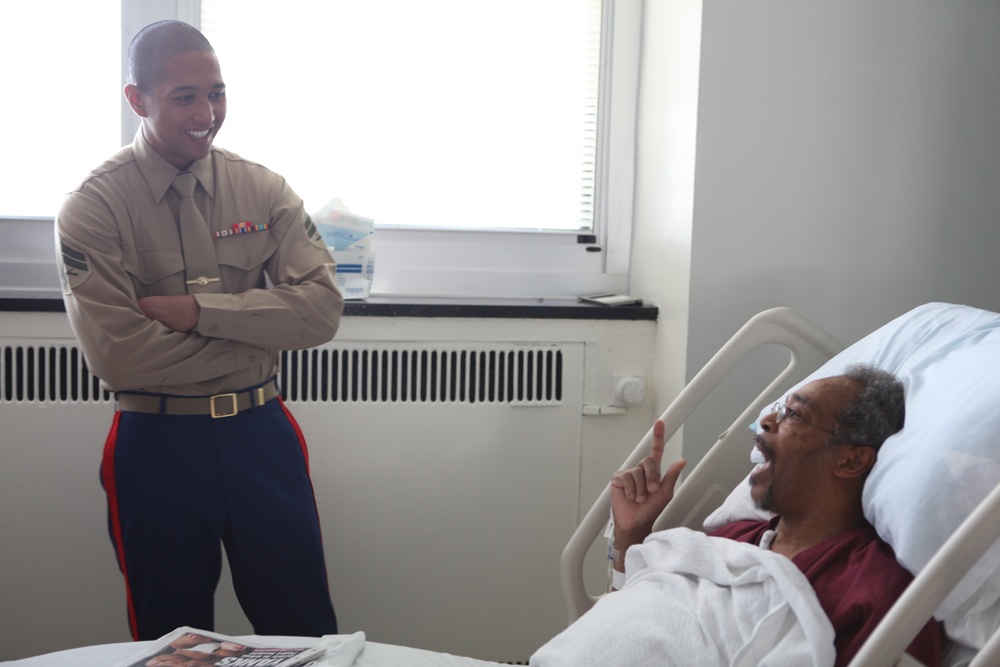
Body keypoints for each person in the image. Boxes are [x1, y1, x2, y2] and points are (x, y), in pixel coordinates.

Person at [55, 20, 343, 641]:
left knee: (304, 630)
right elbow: (122, 360)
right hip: (157, 443)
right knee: (173, 641)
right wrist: (261, 330)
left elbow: (320, 311)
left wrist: (201, 315)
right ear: (139, 99)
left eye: (217, 93)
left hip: (259, 435)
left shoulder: (263, 189)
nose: (207, 113)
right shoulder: (94, 206)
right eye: (185, 96)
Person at [608, 364, 942, 667]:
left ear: (851, 461)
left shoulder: (879, 594)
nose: (767, 420)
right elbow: (624, 633)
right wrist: (632, 535)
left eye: (794, 415)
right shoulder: (727, 543)